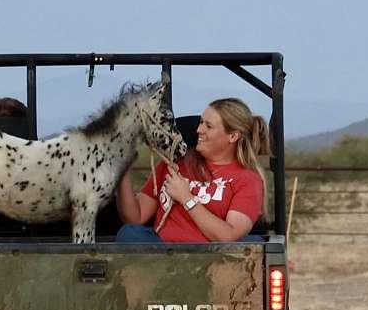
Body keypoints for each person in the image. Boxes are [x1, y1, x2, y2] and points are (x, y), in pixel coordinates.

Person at [116, 98, 271, 243]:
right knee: (128, 232)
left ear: (233, 136)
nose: (199, 130)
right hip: (161, 252)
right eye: (201, 123)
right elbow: (135, 218)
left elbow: (229, 235)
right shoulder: (174, 164)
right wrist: (122, 172)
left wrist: (186, 198)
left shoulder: (247, 180)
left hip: (207, 259)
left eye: (208, 126)